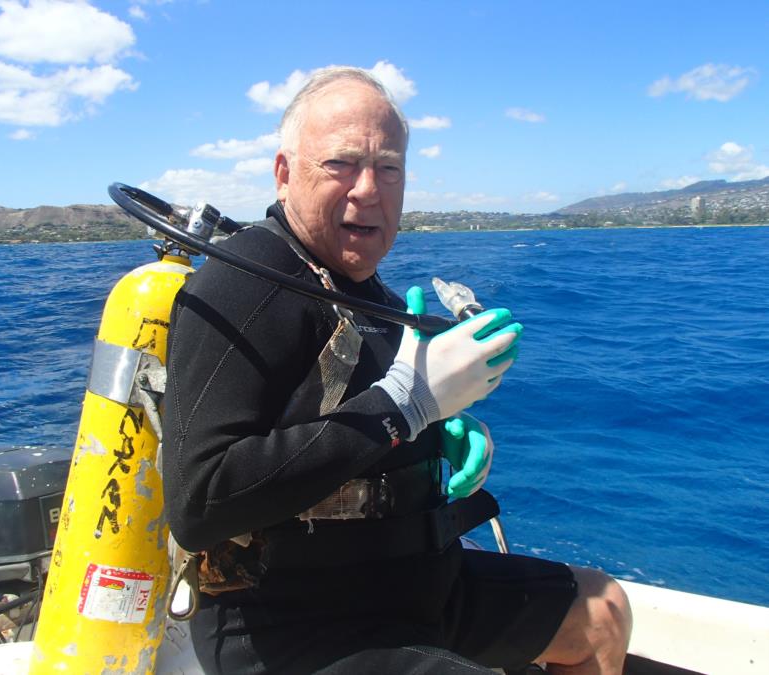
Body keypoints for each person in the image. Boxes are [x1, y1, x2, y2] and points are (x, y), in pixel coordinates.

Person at [163, 66, 631, 674]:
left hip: (408, 582)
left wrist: (442, 436)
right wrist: (402, 407)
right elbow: (199, 503)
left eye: (389, 168)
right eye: (341, 164)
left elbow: (366, 424)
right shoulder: (244, 284)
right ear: (284, 174)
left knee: (601, 613)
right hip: (292, 621)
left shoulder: (367, 292)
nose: (368, 189)